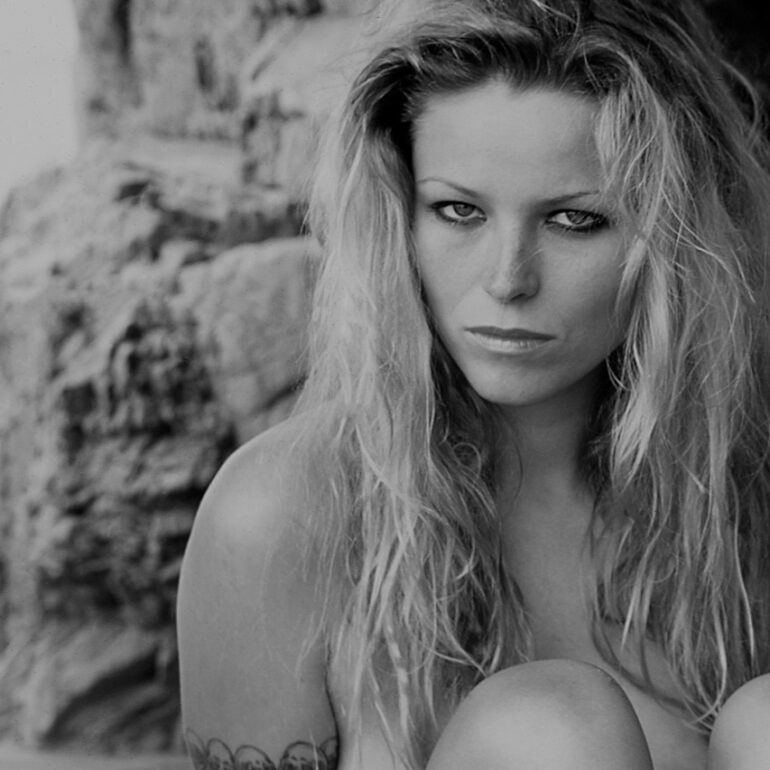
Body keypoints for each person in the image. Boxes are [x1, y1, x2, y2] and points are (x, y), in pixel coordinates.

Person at [176, 0, 770, 767]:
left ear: (676, 238)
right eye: (458, 211)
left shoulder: (738, 490)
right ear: (399, 215)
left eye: (573, 220)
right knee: (551, 730)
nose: (508, 280)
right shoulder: (281, 516)